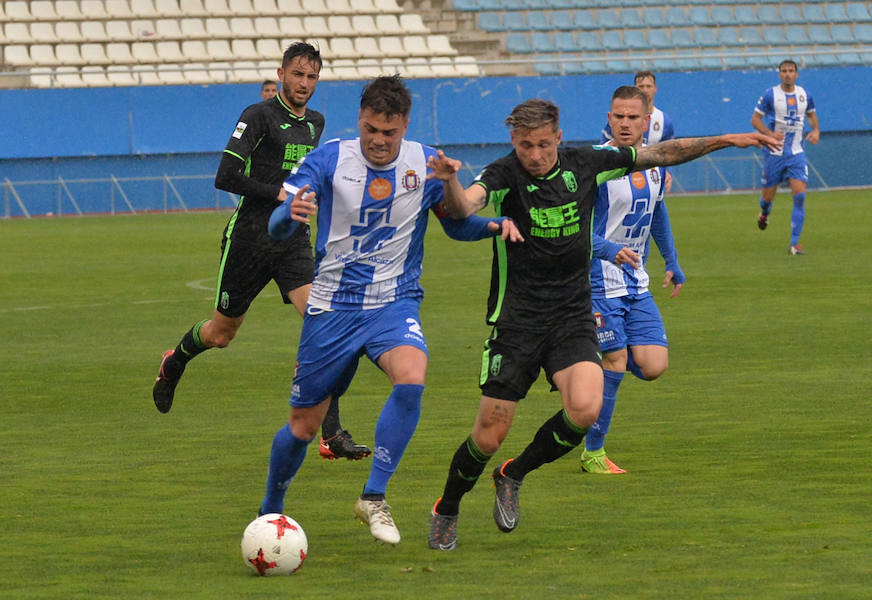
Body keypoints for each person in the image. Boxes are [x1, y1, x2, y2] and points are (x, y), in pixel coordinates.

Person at [425, 98, 781, 551]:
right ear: (513, 141)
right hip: (516, 322)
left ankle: (513, 475)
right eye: (524, 145)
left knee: (586, 409)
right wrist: (451, 182)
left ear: (558, 137)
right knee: (489, 433)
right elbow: (462, 208)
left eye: (543, 144)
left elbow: (662, 154)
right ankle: (448, 507)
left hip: (572, 315)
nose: (534, 155)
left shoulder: (587, 163)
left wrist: (726, 139)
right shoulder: (501, 175)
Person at [258, 74, 523, 546]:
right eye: (370, 130)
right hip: (333, 306)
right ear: (359, 121)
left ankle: (374, 495)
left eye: (389, 133)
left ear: (404, 126)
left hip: (393, 302)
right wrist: (288, 214)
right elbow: (279, 226)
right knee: (304, 425)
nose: (378, 142)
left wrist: (490, 226)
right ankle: (270, 511)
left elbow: (454, 225)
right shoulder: (330, 158)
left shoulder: (425, 163)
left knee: (412, 376)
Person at [152, 42, 371, 461]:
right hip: (250, 241)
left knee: (325, 323)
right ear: (281, 73)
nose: (304, 83)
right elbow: (226, 176)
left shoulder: (316, 124)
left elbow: (308, 177)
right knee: (221, 334)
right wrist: (281, 194)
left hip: (292, 241)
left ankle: (331, 434)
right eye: (297, 75)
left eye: (311, 77)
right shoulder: (257, 116)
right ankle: (174, 361)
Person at [580, 86, 686, 476]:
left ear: (647, 121)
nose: (624, 124)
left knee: (654, 364)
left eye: (632, 118)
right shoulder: (593, 165)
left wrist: (672, 260)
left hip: (634, 282)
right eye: (617, 116)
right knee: (616, 360)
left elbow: (657, 214)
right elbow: (573, 229)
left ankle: (590, 370)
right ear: (608, 118)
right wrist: (607, 250)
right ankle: (593, 452)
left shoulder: (656, 166)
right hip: (597, 281)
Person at [751, 59, 820, 255]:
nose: (788, 74)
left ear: (796, 74)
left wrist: (816, 130)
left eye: (791, 71)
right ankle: (764, 213)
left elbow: (812, 115)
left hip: (797, 153)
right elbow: (755, 120)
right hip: (774, 152)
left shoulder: (805, 95)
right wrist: (769, 134)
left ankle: (794, 244)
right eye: (784, 71)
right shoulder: (770, 94)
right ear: (779, 74)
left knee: (799, 196)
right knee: (767, 198)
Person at [601, 71, 674, 146]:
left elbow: (668, 151)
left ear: (655, 88)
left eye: (648, 86)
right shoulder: (615, 120)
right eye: (641, 86)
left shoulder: (664, 120)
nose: (645, 90)